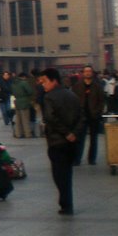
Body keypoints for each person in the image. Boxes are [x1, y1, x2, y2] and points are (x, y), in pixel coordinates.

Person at [39, 68, 82, 215]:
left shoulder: (49, 97)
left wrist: (67, 133)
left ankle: (66, 204)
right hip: (71, 143)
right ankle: (66, 203)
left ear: (54, 80)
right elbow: (81, 117)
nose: (42, 85)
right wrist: (74, 134)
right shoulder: (72, 95)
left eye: (44, 81)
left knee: (59, 175)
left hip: (57, 142)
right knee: (67, 173)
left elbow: (51, 119)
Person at [71, 65, 105, 166]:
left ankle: (92, 159)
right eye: (85, 71)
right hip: (81, 115)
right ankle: (77, 159)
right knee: (80, 138)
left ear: (92, 73)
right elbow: (73, 100)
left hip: (93, 115)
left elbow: (102, 101)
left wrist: (98, 111)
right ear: (83, 73)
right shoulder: (77, 86)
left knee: (94, 139)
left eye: (89, 71)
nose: (87, 73)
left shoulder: (97, 86)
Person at [11, 72, 36, 138]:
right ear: (24, 77)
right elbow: (30, 91)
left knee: (18, 120)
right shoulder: (24, 83)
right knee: (25, 119)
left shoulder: (13, 84)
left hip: (17, 102)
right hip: (24, 102)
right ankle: (27, 134)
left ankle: (18, 134)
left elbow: (12, 92)